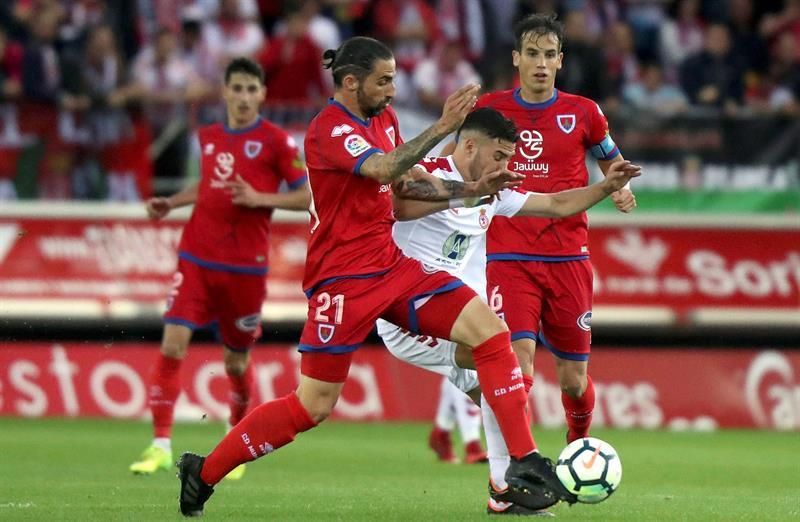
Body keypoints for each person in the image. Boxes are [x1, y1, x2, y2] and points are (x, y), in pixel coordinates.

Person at [175, 36, 577, 518]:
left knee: (493, 335)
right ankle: (204, 470)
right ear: (350, 82)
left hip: (390, 265)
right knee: (312, 406)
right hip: (341, 281)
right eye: (383, 81)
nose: (392, 89)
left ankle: (521, 466)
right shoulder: (329, 128)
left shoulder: (383, 119)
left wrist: (470, 189)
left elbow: (403, 185)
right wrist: (444, 126)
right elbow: (383, 166)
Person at [379, 107, 640, 515]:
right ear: (469, 146)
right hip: (407, 315)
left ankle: (505, 493)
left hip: (453, 313)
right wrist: (471, 190)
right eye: (499, 156)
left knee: (503, 392)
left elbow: (556, 204)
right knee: (505, 367)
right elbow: (398, 200)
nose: (506, 166)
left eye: (509, 158)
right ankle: (518, 474)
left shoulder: (494, 190)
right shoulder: (426, 171)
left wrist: (606, 186)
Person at [441, 12, 639, 500]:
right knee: (518, 369)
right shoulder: (491, 108)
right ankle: (507, 484)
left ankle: (577, 444)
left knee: (574, 381)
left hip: (569, 257)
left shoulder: (584, 111)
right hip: (508, 257)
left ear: (560, 61)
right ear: (516, 58)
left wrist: (619, 189)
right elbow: (456, 156)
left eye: (550, 55)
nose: (541, 63)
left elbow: (611, 158)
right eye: (532, 53)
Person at [129, 57, 311, 481]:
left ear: (262, 94)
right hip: (195, 258)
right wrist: (171, 202)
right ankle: (158, 445)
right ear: (225, 92)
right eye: (238, 89)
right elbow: (209, 184)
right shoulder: (208, 137)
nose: (245, 97)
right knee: (173, 344)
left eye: (252, 89)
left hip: (244, 270)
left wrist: (260, 199)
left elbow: (305, 198)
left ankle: (233, 435)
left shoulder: (277, 142)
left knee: (234, 362)